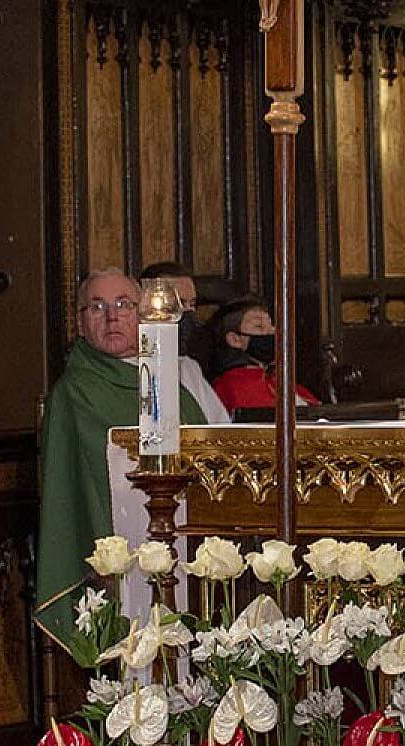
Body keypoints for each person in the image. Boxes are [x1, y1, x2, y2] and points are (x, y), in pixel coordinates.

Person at [35, 269, 222, 649]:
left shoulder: (166, 378)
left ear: (141, 314)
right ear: (80, 321)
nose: (112, 316)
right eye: (98, 307)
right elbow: (69, 488)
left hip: (180, 538)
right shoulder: (74, 393)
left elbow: (207, 450)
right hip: (118, 542)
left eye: (123, 305)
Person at [137, 260, 232, 421]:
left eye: (192, 304)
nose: (187, 312)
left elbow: (220, 425)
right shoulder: (136, 363)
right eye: (177, 303)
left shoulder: (189, 367)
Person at [209, 297, 320, 412]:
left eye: (271, 324)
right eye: (259, 326)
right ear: (234, 339)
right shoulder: (229, 387)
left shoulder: (280, 381)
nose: (273, 331)